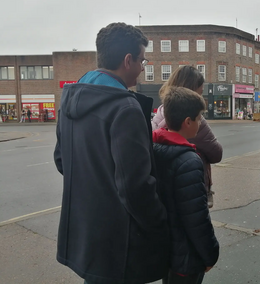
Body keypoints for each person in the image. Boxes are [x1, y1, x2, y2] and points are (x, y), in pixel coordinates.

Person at [53, 22, 169, 284]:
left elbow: (62, 160)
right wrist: (161, 220)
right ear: (127, 60)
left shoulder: (72, 97)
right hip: (119, 243)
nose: (142, 67)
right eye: (142, 60)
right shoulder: (124, 108)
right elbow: (135, 186)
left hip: (86, 233)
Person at [153, 87, 219, 284]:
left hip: (165, 249)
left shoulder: (154, 148)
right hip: (186, 256)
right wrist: (209, 253)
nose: (200, 123)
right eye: (199, 118)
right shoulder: (189, 160)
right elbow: (196, 216)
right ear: (187, 122)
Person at [152, 66, 223, 208]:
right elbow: (216, 153)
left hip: (163, 190)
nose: (201, 97)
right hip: (190, 188)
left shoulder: (160, 113)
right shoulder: (193, 121)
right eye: (200, 93)